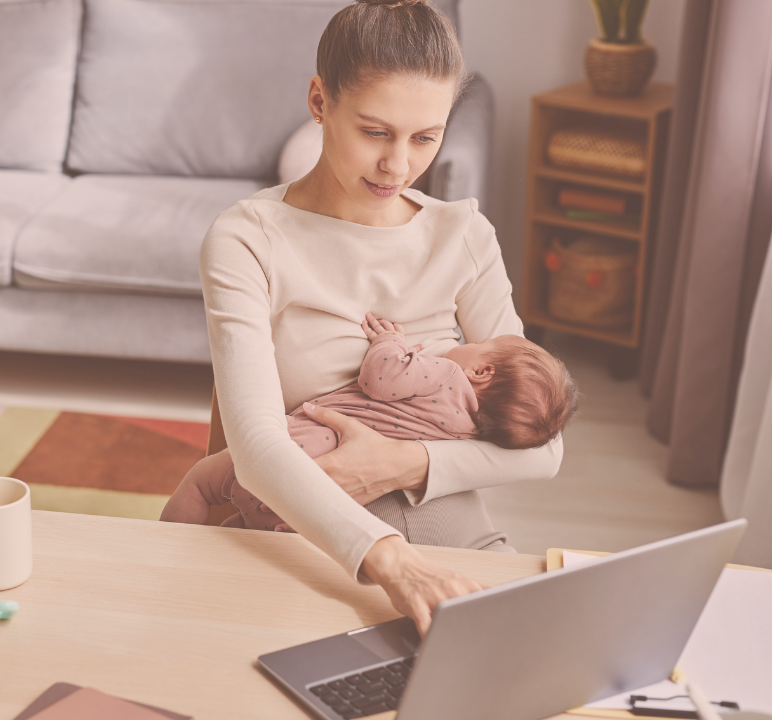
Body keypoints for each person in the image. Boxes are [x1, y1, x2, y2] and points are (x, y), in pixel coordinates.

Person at [196, 0, 563, 634]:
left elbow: (545, 449)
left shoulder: (464, 236)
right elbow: (255, 449)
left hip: (456, 539)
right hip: (310, 547)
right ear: (320, 101)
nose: (398, 165)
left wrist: (404, 463)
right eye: (375, 132)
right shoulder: (248, 240)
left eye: (425, 138)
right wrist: (391, 562)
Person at [161, 312, 577, 539]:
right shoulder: (467, 431)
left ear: (481, 372)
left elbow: (380, 378)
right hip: (315, 507)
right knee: (243, 530)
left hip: (299, 450)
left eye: (477, 344)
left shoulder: (447, 375)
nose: (462, 344)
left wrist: (389, 342)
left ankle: (163, 555)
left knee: (201, 483)